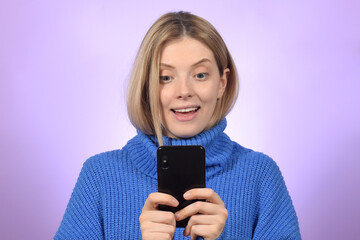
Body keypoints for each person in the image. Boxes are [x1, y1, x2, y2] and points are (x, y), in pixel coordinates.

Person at [55, 11, 301, 239]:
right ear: (146, 86)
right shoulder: (99, 176)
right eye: (165, 77)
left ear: (222, 83)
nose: (184, 91)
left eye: (200, 75)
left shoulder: (260, 176)